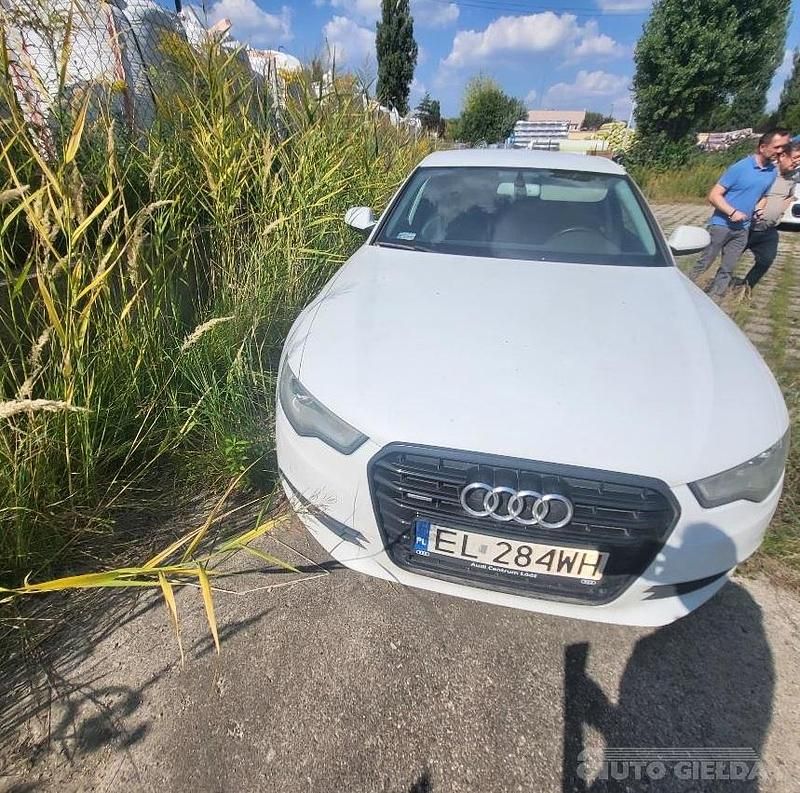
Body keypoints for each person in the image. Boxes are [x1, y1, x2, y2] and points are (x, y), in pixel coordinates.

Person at [690, 128, 791, 297]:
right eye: (777, 147)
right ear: (762, 147)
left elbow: (763, 196)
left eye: (783, 147)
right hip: (721, 226)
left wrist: (759, 207)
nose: (780, 151)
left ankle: (715, 299)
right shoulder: (740, 168)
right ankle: (683, 289)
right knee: (704, 263)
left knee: (728, 269)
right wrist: (732, 211)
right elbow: (714, 195)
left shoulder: (771, 172)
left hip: (742, 229)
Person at [731, 141, 800, 291]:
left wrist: (780, 211)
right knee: (731, 260)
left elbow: (789, 196)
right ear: (782, 156)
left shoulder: (792, 178)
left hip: (768, 230)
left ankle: (745, 289)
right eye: (795, 157)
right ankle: (718, 285)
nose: (797, 162)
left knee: (766, 260)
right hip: (747, 227)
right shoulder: (767, 172)